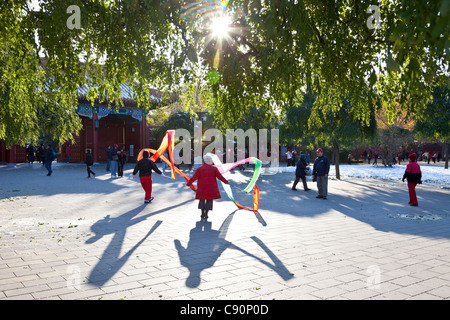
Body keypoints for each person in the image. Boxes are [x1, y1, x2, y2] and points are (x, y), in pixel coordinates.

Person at [186, 154, 229, 219]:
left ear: (204, 160)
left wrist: (189, 183)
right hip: (211, 188)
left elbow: (194, 177)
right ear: (210, 160)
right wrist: (226, 182)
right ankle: (206, 213)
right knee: (209, 200)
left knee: (202, 200)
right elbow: (220, 177)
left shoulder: (200, 168)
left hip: (202, 187)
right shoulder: (214, 168)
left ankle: (202, 213)